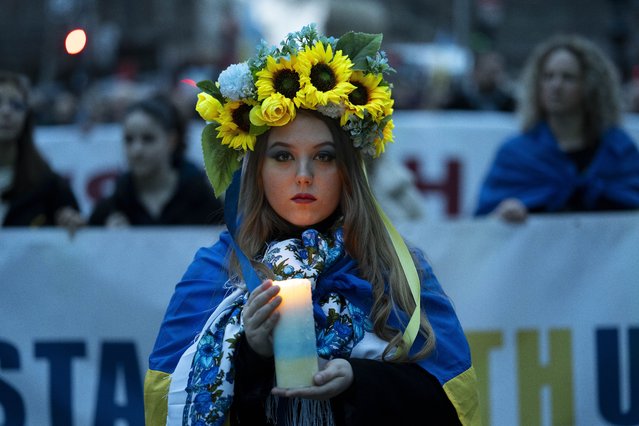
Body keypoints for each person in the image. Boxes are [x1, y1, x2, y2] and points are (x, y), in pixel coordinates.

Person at [144, 24, 479, 426]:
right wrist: (251, 351)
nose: (303, 176)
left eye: (323, 157)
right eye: (283, 157)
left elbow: (452, 404)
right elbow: (168, 402)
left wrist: (359, 379)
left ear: (349, 171)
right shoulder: (215, 270)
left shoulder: (395, 267)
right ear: (256, 171)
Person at [475, 34, 639, 222]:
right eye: (548, 76)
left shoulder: (619, 150)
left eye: (568, 78)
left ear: (590, 85)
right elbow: (482, 223)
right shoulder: (516, 154)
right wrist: (502, 214)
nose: (556, 85)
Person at [88, 94, 224, 226]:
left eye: (148, 139)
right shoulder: (110, 209)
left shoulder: (205, 203)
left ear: (171, 141)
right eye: (129, 140)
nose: (137, 150)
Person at [0, 71, 84, 231]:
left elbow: (80, 240)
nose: (6, 112)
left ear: (27, 116)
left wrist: (73, 222)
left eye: (16, 105)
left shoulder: (47, 184)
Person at [443, 50, 515, 112]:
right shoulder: (459, 101)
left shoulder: (508, 103)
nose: (491, 77)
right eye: (488, 72)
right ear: (475, 71)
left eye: (496, 72)